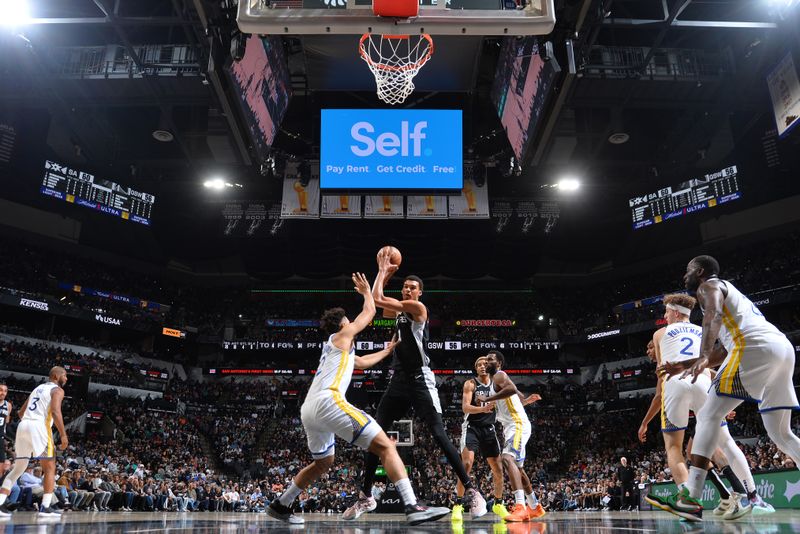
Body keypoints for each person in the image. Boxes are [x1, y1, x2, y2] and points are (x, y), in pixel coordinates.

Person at [268, 273, 450, 526]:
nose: (351, 322)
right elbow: (368, 313)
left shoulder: (336, 348)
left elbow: (361, 362)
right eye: (348, 320)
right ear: (343, 325)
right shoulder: (344, 335)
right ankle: (412, 505)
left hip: (309, 409)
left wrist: (386, 350)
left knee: (323, 463)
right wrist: (367, 292)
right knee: (386, 445)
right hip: (329, 401)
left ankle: (281, 504)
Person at [344, 251, 487, 520]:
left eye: (412, 287)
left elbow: (377, 298)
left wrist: (383, 269)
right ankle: (365, 497)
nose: (407, 289)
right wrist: (385, 275)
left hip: (421, 379)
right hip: (398, 381)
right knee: (374, 436)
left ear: (420, 293)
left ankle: (472, 491)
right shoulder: (398, 311)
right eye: (405, 286)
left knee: (439, 435)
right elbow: (378, 306)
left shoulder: (419, 309)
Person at [658, 255, 800, 522]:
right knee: (782, 434)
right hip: (781, 348)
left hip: (753, 348)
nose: (684, 277)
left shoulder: (708, 286)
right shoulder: (732, 297)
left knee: (709, 415)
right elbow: (724, 351)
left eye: (688, 271)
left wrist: (702, 354)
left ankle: (691, 494)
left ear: (700, 271)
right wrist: (688, 363)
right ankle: (730, 493)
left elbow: (711, 315)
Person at [639, 293, 755, 520]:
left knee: (674, 447)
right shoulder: (703, 331)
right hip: (703, 382)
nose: (665, 317)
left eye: (665, 313)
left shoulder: (660, 334)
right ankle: (741, 491)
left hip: (675, 383)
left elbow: (662, 376)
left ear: (674, 312)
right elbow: (710, 366)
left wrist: (644, 422)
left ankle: (688, 501)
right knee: (713, 443)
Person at [482, 351, 546, 522]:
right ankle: (534, 507)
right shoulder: (498, 380)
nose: (487, 361)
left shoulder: (499, 375)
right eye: (486, 359)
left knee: (507, 458)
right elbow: (515, 394)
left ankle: (520, 507)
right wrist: (527, 401)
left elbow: (511, 389)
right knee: (518, 469)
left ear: (499, 364)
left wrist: (489, 398)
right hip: (512, 426)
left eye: (491, 359)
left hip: (517, 425)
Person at [0, 367, 69, 517]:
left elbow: (20, 412)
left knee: (18, 469)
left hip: (23, 426)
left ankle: (0, 502)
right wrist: (63, 435)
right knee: (50, 467)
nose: (66, 378)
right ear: (56, 376)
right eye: (65, 375)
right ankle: (45, 507)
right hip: (39, 427)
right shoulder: (57, 390)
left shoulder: (37, 388)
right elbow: (56, 411)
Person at [452, 356, 507, 523]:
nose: (483, 366)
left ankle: (498, 503)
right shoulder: (470, 384)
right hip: (472, 428)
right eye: (479, 365)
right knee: (467, 464)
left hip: (489, 429)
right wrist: (483, 409)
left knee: (498, 470)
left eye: (485, 364)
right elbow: (465, 407)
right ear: (475, 369)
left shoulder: (497, 384)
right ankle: (458, 505)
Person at [0, 384, 10, 479]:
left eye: (5, 391)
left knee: (1, 468)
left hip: (0, 438)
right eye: (1, 390)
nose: (3, 392)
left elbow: (6, 422)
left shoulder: (8, 405)